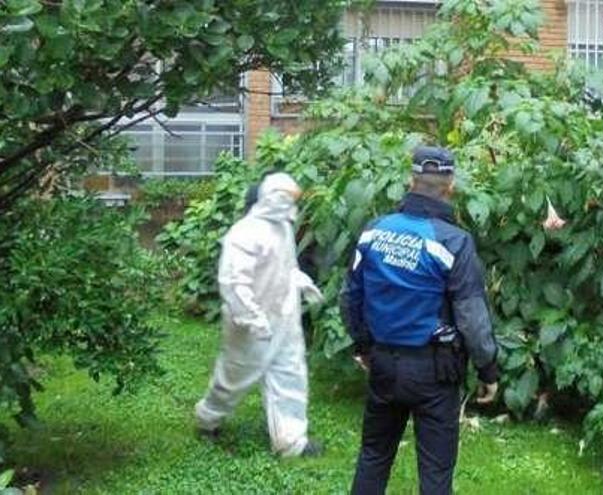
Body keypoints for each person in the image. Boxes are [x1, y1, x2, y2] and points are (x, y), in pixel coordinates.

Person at [342, 146, 499, 495]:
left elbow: (351, 296)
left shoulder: (374, 231)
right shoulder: (454, 241)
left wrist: (364, 346)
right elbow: (472, 317)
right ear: (451, 185)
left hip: (383, 363)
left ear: (410, 180)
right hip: (434, 374)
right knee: (435, 471)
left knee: (374, 455)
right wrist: (488, 370)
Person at [194, 172, 324, 458]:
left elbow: (284, 266)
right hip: (249, 324)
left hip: (284, 318)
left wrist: (300, 281)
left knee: (290, 376)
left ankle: (290, 441)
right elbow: (233, 282)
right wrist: (252, 317)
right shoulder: (244, 233)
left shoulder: (283, 229)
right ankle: (208, 419)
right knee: (232, 379)